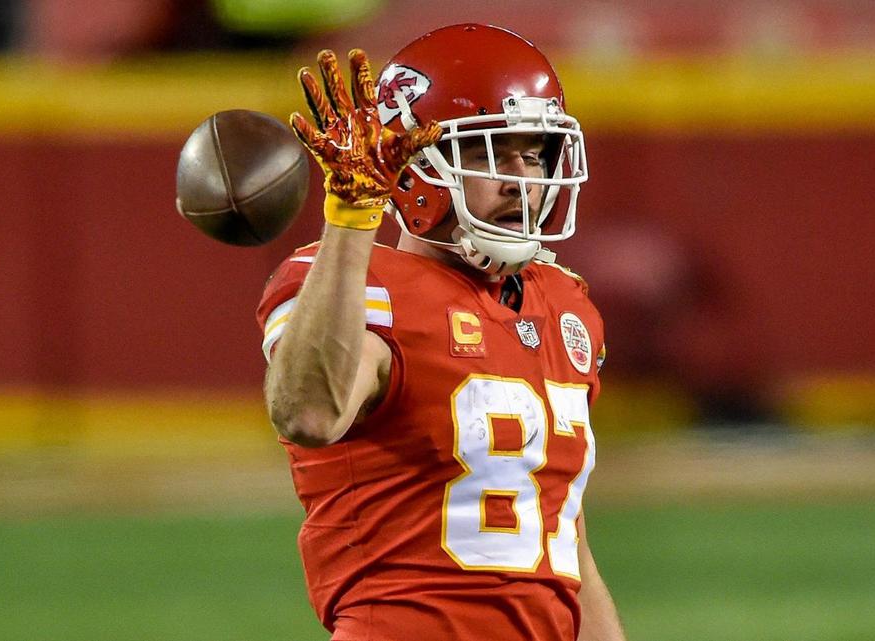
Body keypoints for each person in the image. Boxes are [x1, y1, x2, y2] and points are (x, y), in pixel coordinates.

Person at [257, 23, 626, 641]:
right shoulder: (356, 283)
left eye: (533, 153)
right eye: (488, 153)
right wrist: (350, 222)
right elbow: (309, 415)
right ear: (411, 166)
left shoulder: (566, 306)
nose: (520, 179)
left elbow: (565, 546)